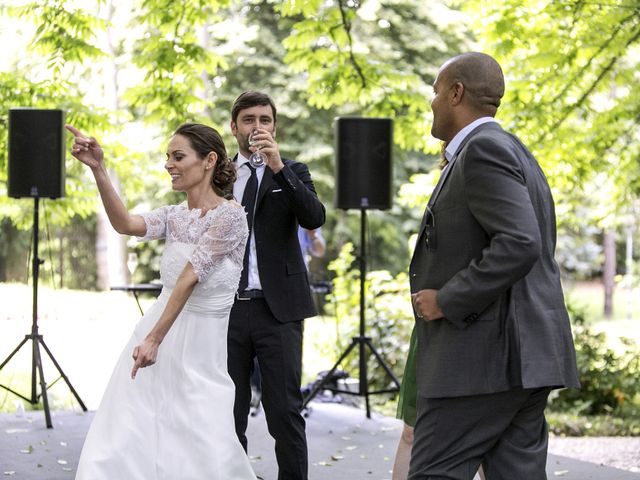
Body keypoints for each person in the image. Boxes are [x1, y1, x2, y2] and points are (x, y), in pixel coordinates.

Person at [408, 52, 580, 479]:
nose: (431, 102)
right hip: (519, 362)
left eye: (435, 92)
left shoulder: (483, 149)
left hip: (481, 364)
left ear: (456, 93)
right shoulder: (513, 149)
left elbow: (520, 243)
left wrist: (447, 299)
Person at [67, 123, 256, 480]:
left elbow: (189, 276)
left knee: (205, 440)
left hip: (198, 351)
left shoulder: (230, 216)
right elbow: (124, 223)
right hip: (152, 337)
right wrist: (98, 169)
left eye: (178, 156)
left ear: (209, 160)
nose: (168, 163)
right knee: (131, 436)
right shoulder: (173, 216)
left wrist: (155, 337)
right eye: (167, 157)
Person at [227, 91, 326, 480]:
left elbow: (313, 216)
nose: (257, 127)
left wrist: (278, 166)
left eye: (265, 120)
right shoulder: (219, 176)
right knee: (227, 410)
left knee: (284, 411)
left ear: (274, 127)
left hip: (278, 309)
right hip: (227, 309)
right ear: (234, 126)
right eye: (248, 119)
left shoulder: (294, 172)